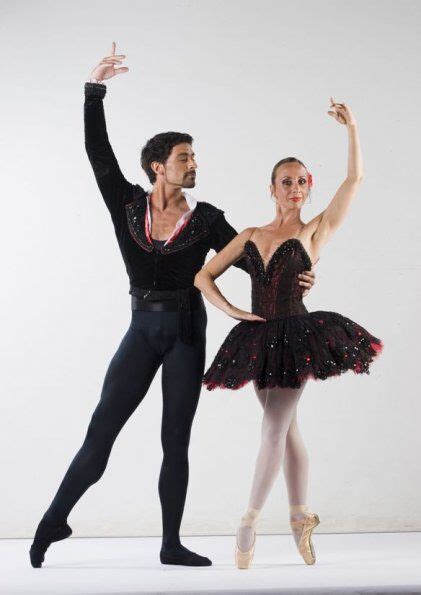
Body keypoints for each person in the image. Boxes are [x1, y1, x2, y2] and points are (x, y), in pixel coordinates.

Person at [28, 42, 318, 569]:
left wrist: (299, 271)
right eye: (185, 157)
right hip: (141, 330)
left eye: (194, 156)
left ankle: (170, 543)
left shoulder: (207, 219)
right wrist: (95, 88)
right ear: (157, 167)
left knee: (175, 442)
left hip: (187, 333)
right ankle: (53, 520)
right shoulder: (127, 203)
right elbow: (98, 153)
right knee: (101, 432)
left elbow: (254, 261)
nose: (194, 164)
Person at [194, 99, 383, 569]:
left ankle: (249, 520)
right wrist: (235, 311)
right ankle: (301, 517)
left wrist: (353, 127)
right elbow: (203, 276)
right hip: (259, 339)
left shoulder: (315, 230)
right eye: (287, 181)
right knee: (288, 428)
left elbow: (354, 180)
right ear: (272, 188)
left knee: (275, 427)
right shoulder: (251, 234)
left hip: (299, 334)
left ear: (308, 187)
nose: (295, 188)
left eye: (302, 181)